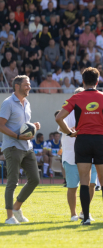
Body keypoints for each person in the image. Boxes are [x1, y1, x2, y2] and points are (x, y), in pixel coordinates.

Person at [55, 67, 103, 225]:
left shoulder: (76, 97)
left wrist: (70, 133)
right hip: (100, 141)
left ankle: (85, 218)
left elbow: (59, 118)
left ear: (83, 81)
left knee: (84, 182)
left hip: (82, 141)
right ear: (98, 82)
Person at [0, 75, 41, 224]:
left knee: (35, 179)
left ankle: (16, 208)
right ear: (17, 86)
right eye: (26, 85)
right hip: (12, 147)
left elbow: (24, 125)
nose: (29, 87)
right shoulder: (8, 103)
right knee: (12, 182)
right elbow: (1, 125)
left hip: (27, 147)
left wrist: (33, 127)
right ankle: (9, 217)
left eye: (29, 84)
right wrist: (17, 136)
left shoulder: (27, 102)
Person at [57, 88, 97, 221]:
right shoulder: (67, 112)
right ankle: (73, 214)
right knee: (72, 186)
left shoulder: (93, 110)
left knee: (91, 185)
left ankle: (84, 212)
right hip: (71, 155)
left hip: (90, 154)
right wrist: (72, 131)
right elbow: (61, 126)